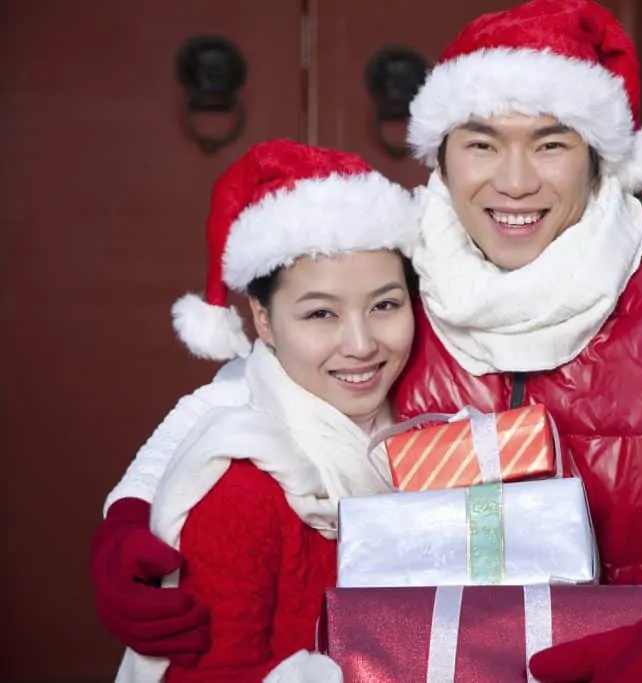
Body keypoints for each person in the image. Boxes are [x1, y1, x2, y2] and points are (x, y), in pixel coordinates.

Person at [91, 2, 642, 681]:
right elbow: (247, 392)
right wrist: (129, 513)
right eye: (482, 142)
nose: (513, 182)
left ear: (598, 156)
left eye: (550, 142)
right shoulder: (400, 279)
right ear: (441, 155)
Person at [113, 140, 418, 681]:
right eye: (320, 313)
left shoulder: (422, 404)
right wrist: (125, 517)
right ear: (261, 319)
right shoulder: (243, 485)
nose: (362, 343)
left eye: (386, 305)